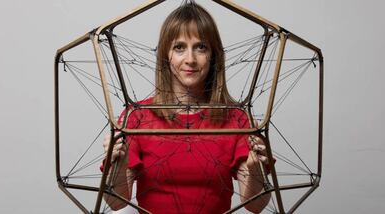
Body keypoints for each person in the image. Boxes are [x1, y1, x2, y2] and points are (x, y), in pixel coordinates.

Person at [103, 2, 271, 213]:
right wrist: (119, 159)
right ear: (166, 55)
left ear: (213, 55)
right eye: (179, 47)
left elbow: (256, 205)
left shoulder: (237, 118)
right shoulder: (136, 117)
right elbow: (117, 202)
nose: (190, 59)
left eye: (201, 47)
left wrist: (256, 168)